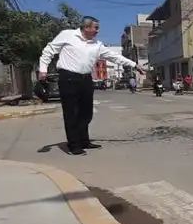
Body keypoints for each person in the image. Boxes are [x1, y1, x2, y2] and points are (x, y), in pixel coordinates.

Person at [38, 16, 146, 155]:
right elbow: (49, 50)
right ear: (86, 27)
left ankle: (84, 140)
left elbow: (115, 57)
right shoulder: (67, 35)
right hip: (68, 78)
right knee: (72, 113)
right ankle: (74, 145)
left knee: (86, 113)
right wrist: (43, 69)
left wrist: (135, 65)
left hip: (86, 79)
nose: (98, 31)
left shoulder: (97, 45)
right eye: (96, 28)